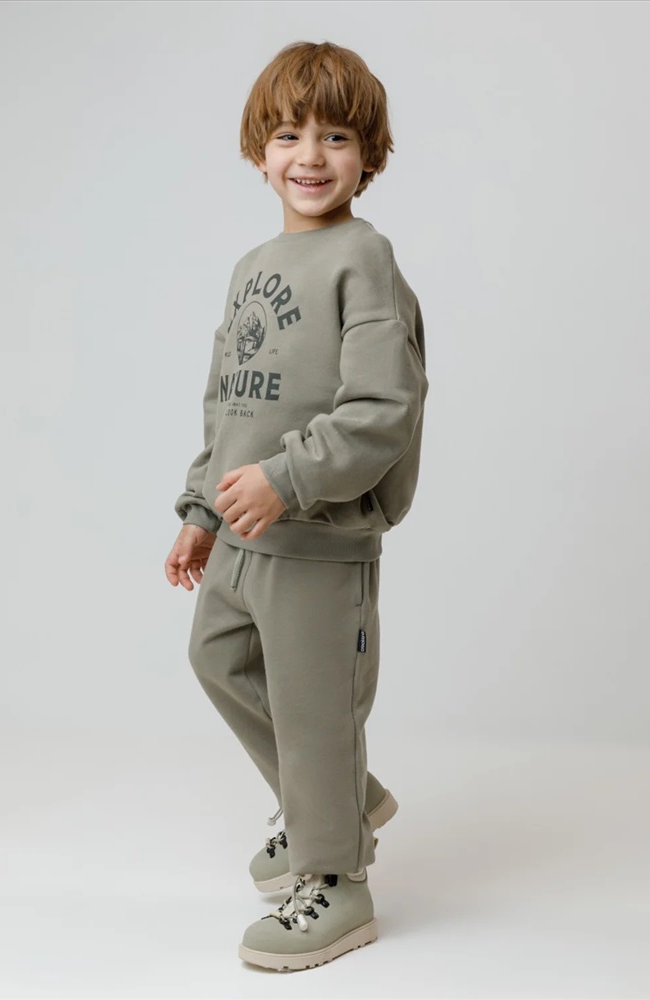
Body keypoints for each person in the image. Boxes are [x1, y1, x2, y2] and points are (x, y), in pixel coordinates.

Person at [164, 39, 428, 972]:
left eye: (336, 137)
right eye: (288, 134)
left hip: (316, 536)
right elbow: (227, 403)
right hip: (243, 534)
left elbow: (383, 411)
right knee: (217, 658)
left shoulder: (365, 259)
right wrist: (201, 509)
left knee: (314, 713)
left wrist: (288, 478)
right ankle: (341, 799)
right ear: (258, 150)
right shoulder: (252, 266)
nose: (310, 156)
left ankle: (337, 880)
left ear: (369, 154)